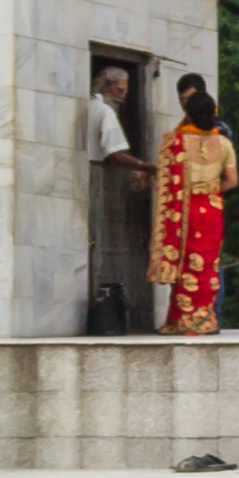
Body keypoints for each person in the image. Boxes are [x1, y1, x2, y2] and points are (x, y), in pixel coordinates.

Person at [152, 78, 236, 334]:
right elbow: (232, 181)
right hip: (211, 208)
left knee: (184, 263)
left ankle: (180, 320)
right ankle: (205, 320)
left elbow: (165, 181)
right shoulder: (224, 143)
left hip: (184, 208)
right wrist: (210, 193)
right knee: (208, 264)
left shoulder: (176, 142)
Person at [84, 60, 151, 329]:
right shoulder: (103, 110)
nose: (123, 97)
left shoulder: (89, 106)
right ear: (109, 85)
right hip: (97, 176)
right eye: (121, 91)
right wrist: (145, 166)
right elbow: (113, 153)